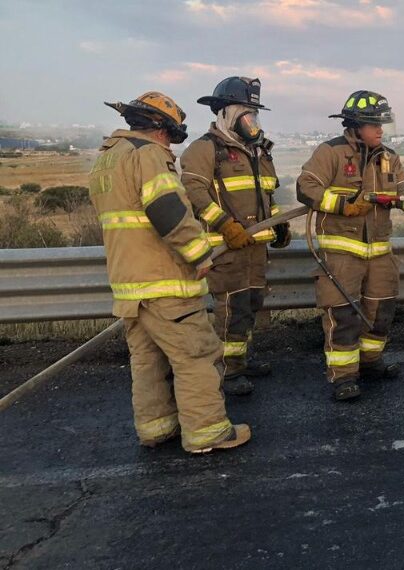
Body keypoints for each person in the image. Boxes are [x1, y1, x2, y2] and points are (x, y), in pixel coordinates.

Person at [89, 91, 250, 453]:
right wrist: (200, 256)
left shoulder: (107, 159)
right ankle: (207, 432)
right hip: (165, 282)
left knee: (147, 360)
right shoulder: (147, 156)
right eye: (170, 134)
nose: (170, 143)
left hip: (130, 285)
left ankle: (156, 428)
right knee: (196, 355)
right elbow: (168, 212)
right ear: (161, 128)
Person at [296, 90, 404, 400]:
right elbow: (305, 187)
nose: (381, 131)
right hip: (341, 253)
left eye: (383, 125)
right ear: (355, 125)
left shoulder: (390, 158)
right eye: (375, 125)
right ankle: (344, 376)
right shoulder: (331, 153)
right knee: (343, 316)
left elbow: (402, 197)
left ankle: (371, 362)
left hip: (379, 252)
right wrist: (343, 206)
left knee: (381, 311)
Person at [180, 77, 290, 396]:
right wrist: (225, 224)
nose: (254, 122)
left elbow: (268, 190)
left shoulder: (258, 150)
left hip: (255, 248)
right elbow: (194, 191)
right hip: (226, 249)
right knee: (232, 308)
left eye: (256, 115)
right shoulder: (204, 149)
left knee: (252, 304)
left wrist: (279, 223)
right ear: (227, 113)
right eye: (248, 114)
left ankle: (240, 358)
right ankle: (227, 370)